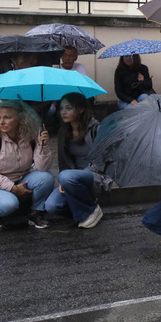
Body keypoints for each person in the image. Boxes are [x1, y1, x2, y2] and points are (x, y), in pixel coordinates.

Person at [45, 92, 114, 228]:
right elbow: (63, 164)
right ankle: (87, 210)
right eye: (61, 108)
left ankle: (90, 210)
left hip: (95, 177)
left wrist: (71, 177)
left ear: (81, 109)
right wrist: (63, 182)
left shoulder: (96, 129)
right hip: (71, 180)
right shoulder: (63, 132)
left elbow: (101, 162)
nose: (63, 112)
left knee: (66, 176)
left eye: (69, 108)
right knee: (51, 206)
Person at [0, 100, 55, 229]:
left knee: (46, 177)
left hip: (22, 180)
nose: (1, 122)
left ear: (21, 118)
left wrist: (42, 146)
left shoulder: (30, 135)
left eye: (7, 117)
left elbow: (42, 167)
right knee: (8, 204)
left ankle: (35, 213)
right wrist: (12, 188)